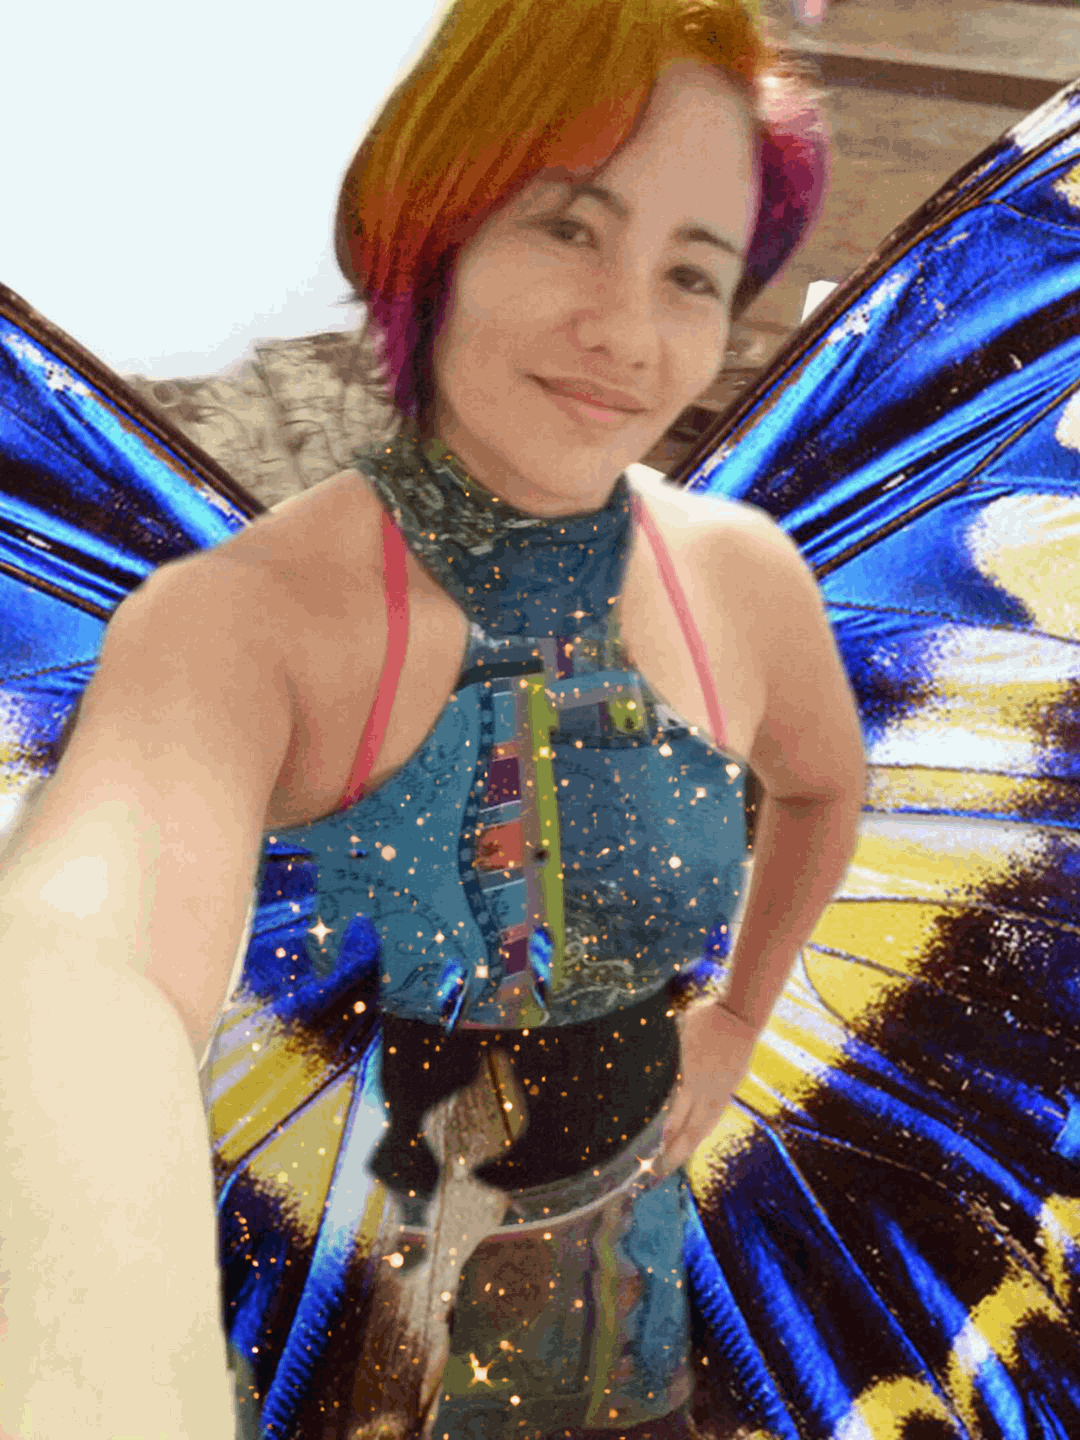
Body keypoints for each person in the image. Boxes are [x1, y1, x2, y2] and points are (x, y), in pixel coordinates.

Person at [0, 1, 865, 1437]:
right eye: (569, 227)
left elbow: (825, 789)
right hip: (373, 1338)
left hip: (636, 1332)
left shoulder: (741, 578)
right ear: (438, 227)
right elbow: (90, 954)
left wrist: (736, 1020)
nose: (625, 332)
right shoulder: (243, 622)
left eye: (691, 274)